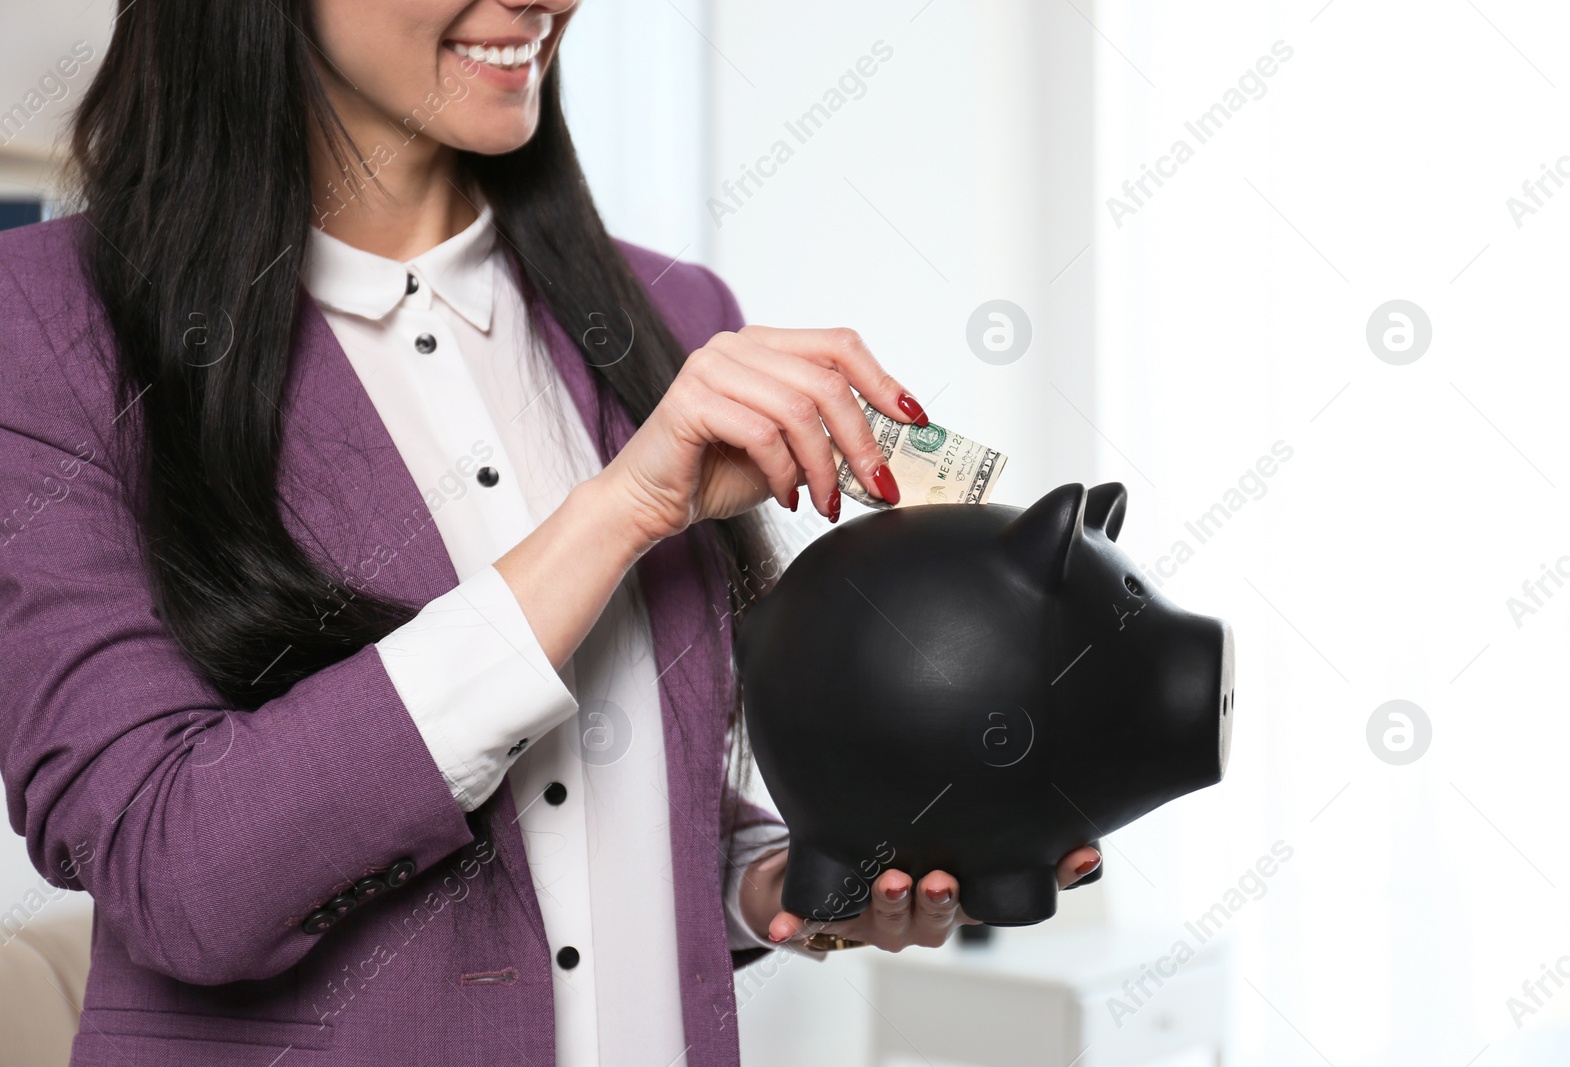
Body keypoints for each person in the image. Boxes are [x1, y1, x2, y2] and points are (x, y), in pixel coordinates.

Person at [0, 1, 1101, 1063]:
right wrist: (616, 512)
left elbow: (603, 791)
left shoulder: (674, 318)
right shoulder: (46, 326)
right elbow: (174, 873)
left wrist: (781, 876)